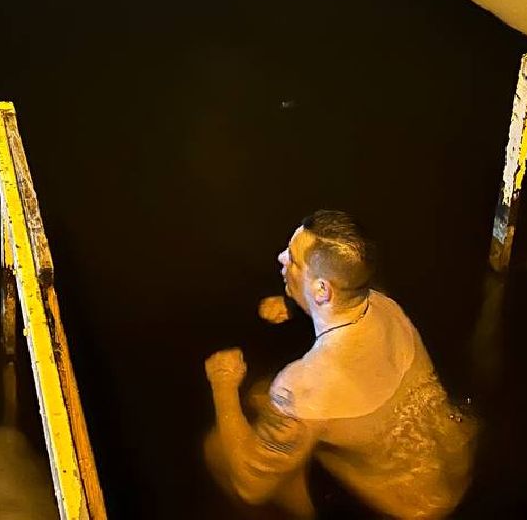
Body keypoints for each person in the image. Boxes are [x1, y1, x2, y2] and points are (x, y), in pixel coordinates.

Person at [203, 210, 474, 518]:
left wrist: (223, 384)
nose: (281, 258)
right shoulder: (388, 309)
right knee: (265, 397)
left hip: (399, 513)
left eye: (292, 260)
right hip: (455, 468)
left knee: (217, 447)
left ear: (322, 290)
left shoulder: (302, 385)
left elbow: (251, 486)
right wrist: (297, 303)